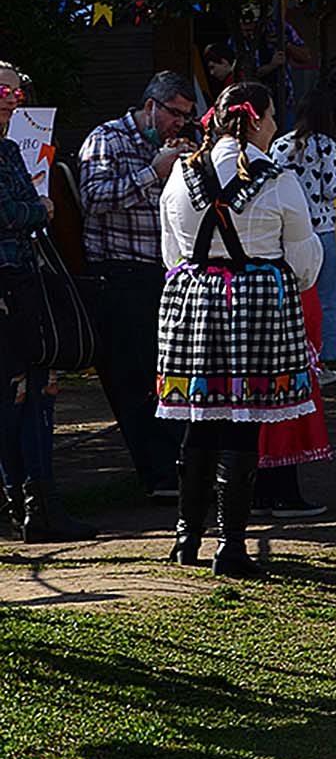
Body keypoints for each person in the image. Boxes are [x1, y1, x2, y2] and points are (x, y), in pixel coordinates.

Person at [155, 80, 323, 575]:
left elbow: (171, 252)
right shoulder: (279, 179)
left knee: (200, 419)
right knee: (243, 425)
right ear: (255, 120)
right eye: (270, 117)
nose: (274, 126)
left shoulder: (180, 173)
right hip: (257, 306)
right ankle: (230, 547)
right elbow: (305, 261)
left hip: (193, 302)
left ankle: (186, 537)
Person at [80, 70, 199, 498]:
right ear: (151, 106)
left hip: (163, 274)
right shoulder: (107, 139)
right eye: (174, 114)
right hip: (120, 275)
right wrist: (153, 172)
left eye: (186, 116)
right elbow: (93, 199)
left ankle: (176, 467)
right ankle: (159, 474)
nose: (179, 124)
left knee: (167, 373)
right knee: (133, 378)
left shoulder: (174, 145)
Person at [0, 60, 91, 543]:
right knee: (14, 394)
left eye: (18, 94)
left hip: (22, 281)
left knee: (36, 390)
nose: (13, 102)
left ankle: (38, 504)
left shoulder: (9, 149)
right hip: (7, 287)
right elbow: (12, 212)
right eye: (5, 93)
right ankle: (25, 502)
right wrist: (40, 208)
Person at [269, 80, 336, 387]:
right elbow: (331, 189)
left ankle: (290, 355)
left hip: (286, 231)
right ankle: (323, 357)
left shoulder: (280, 145)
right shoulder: (326, 145)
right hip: (321, 228)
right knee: (325, 297)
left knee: (291, 297)